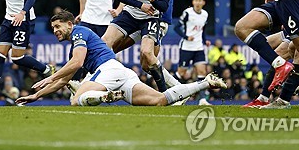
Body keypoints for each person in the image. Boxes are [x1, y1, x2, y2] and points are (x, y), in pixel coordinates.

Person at [15, 10, 227, 106]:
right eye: (53, 28)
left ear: (69, 24)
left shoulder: (79, 32)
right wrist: (37, 96)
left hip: (108, 71)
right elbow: (64, 78)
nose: (55, 31)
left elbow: (77, 63)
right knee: (159, 101)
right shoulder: (77, 41)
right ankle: (204, 83)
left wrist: (49, 78)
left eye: (58, 26)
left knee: (75, 101)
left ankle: (104, 96)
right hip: (122, 73)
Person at [174, 0, 211, 104]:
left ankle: (202, 99)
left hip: (199, 47)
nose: (197, 3)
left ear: (203, 3)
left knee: (202, 72)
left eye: (200, 0)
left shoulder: (205, 14)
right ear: (193, 2)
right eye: (196, 0)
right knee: (181, 73)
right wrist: (186, 37)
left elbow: (202, 30)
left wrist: (205, 41)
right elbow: (177, 27)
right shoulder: (187, 13)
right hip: (186, 47)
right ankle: (172, 95)